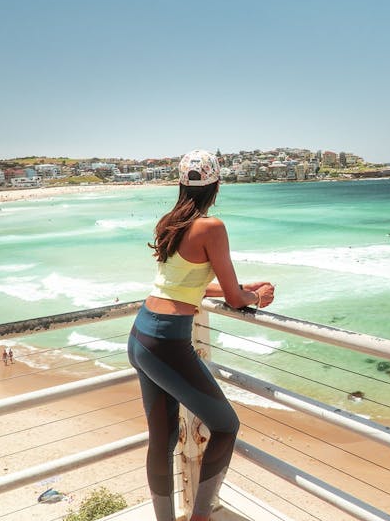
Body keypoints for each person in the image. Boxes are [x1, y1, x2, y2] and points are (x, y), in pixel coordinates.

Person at [128, 150, 275, 521]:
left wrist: (239, 287)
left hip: (142, 335)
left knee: (161, 439)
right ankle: (200, 516)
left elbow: (180, 285)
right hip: (166, 343)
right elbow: (234, 298)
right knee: (226, 426)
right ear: (217, 185)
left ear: (182, 184)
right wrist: (256, 296)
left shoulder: (169, 223)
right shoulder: (212, 227)